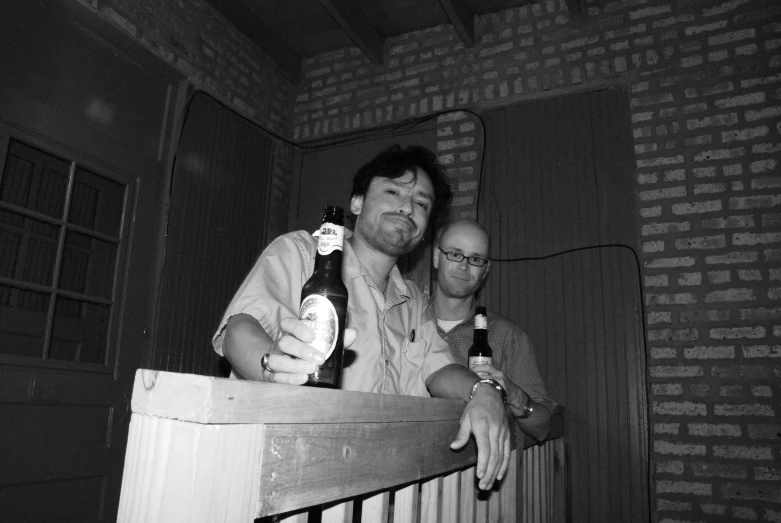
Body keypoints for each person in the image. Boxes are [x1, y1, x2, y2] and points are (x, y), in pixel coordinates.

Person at [212, 145, 510, 490]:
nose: (406, 207)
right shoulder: (302, 252)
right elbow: (239, 328)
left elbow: (440, 368)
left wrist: (484, 390)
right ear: (357, 203)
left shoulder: (413, 300)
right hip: (285, 476)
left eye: (422, 204)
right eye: (393, 191)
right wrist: (272, 368)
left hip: (377, 487)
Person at [429, 219, 554, 442]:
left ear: (486, 270)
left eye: (476, 259)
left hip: (475, 472)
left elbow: (543, 427)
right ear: (436, 257)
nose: (464, 266)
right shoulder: (406, 320)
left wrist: (514, 395)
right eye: (455, 254)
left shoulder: (507, 336)